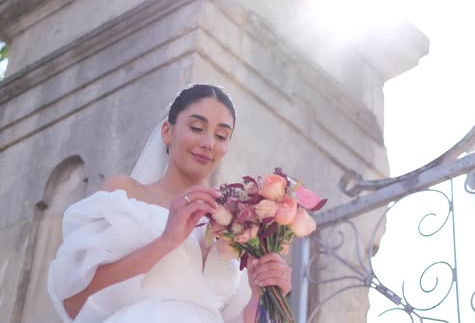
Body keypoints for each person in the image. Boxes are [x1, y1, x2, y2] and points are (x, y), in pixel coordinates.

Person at [47, 84, 293, 323]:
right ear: (167, 131)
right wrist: (166, 241)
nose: (209, 142)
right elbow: (73, 302)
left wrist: (261, 292)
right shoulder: (125, 194)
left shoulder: (236, 221)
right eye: (197, 127)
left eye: (221, 135)